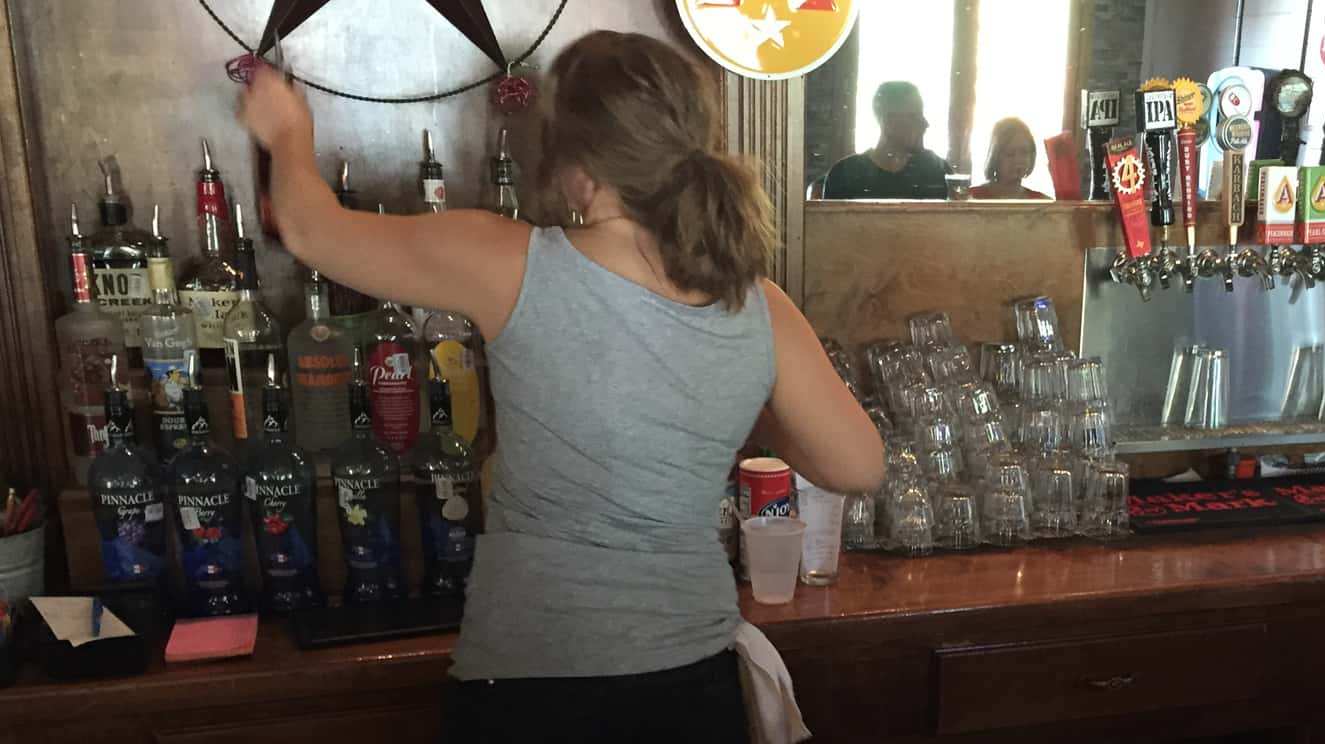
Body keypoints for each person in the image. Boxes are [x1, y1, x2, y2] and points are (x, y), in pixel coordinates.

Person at [238, 30, 885, 743]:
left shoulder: (513, 262)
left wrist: (288, 131)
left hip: (533, 685)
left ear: (576, 164)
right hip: (693, 683)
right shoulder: (760, 303)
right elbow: (859, 465)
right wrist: (738, 403)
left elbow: (309, 228)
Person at [820, 81, 949, 199]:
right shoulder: (844, 175)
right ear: (888, 122)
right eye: (914, 116)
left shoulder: (937, 170)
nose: (925, 124)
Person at [971, 118, 1051, 200]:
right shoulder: (971, 198)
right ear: (995, 157)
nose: (1018, 160)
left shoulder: (1041, 202)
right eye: (1010, 153)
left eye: (1024, 152)